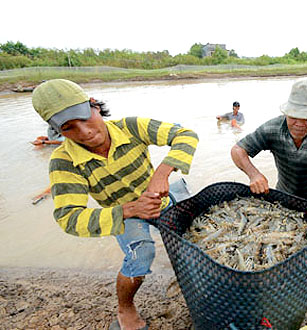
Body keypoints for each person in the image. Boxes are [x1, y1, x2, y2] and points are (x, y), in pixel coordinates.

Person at [31, 79, 199, 330]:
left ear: (94, 105)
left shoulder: (131, 127)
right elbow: (70, 218)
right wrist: (131, 209)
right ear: (59, 131)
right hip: (123, 213)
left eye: (84, 117)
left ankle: (191, 282)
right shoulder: (64, 161)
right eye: (69, 127)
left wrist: (162, 173)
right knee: (141, 255)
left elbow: (185, 134)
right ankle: (125, 308)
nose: (84, 132)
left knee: (197, 236)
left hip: (158, 196)